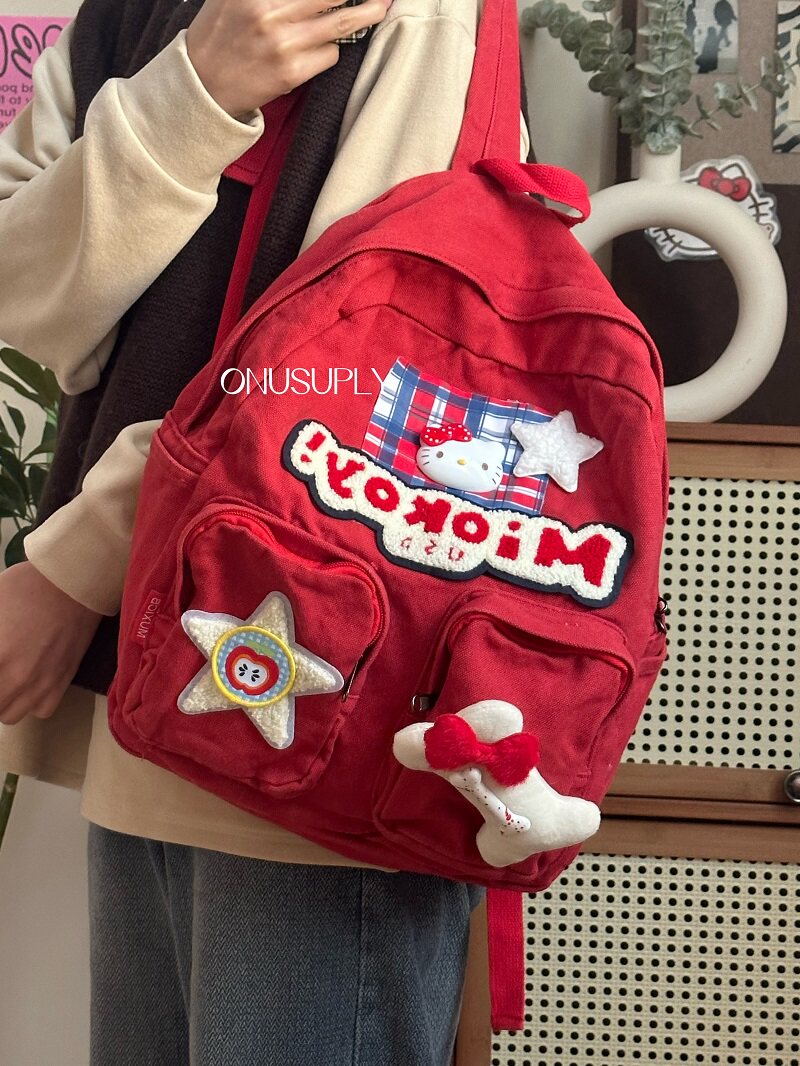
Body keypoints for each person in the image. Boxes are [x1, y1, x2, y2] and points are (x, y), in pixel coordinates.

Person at [0, 1, 532, 1062]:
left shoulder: (415, 14)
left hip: (323, 720)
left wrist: (72, 570)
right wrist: (194, 90)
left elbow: (350, 371)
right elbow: (27, 298)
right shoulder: (134, 16)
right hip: (166, 697)